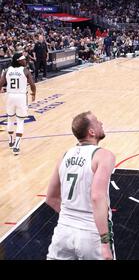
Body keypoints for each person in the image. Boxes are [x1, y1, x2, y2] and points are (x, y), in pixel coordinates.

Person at [46, 111, 116, 260]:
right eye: (97, 122)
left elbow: (50, 198)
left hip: (63, 231)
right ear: (91, 132)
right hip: (91, 233)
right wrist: (104, 242)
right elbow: (97, 197)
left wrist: (71, 219)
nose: (101, 123)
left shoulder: (64, 155)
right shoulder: (104, 155)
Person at [0, 52, 36, 155]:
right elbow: (33, 85)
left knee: (10, 119)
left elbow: (0, 83)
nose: (25, 61)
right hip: (21, 97)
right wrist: (33, 93)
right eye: (23, 59)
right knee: (20, 121)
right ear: (18, 61)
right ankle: (16, 146)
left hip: (10, 96)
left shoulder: (7, 70)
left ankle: (11, 140)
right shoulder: (25, 71)